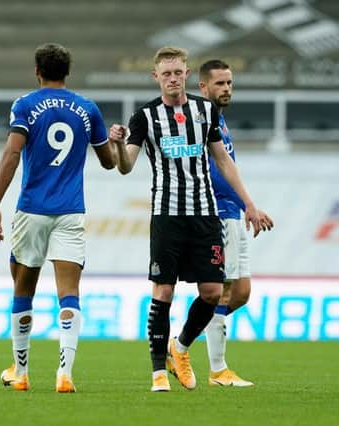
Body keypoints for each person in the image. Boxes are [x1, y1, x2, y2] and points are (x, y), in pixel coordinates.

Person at [108, 47, 273, 392]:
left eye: (178, 72)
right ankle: (157, 374)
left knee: (213, 292)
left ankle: (179, 347)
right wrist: (118, 147)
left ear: (186, 73)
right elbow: (125, 167)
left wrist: (250, 204)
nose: (172, 79)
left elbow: (225, 162)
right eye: (166, 73)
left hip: (205, 215)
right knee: (164, 291)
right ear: (156, 77)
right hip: (167, 216)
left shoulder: (205, 111)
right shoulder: (145, 117)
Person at [0, 43, 116, 393]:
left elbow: (13, 153)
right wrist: (114, 142)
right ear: (68, 73)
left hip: (32, 209)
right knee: (69, 294)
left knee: (22, 287)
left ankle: (21, 371)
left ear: (36, 71)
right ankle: (65, 373)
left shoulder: (26, 106)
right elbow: (109, 162)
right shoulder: (87, 109)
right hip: (71, 211)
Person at [199, 59, 270, 386]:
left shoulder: (220, 121)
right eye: (220, 84)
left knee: (241, 292)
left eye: (229, 83)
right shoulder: (201, 121)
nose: (226, 89)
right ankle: (217, 370)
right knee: (225, 290)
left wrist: (248, 204)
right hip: (218, 211)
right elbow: (212, 171)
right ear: (204, 87)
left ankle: (182, 341)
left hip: (235, 210)